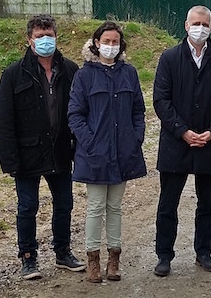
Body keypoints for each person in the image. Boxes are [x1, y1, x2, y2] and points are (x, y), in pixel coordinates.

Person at [0, 15, 86, 280]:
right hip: (27, 154)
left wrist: (79, 149)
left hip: (60, 151)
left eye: (49, 35)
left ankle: (63, 252)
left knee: (64, 204)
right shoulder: (14, 74)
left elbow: (79, 110)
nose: (45, 40)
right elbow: (4, 119)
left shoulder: (70, 69)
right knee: (27, 207)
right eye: (39, 36)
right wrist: (10, 161)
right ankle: (28, 258)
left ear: (57, 37)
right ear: (29, 40)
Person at [152, 5, 211, 277]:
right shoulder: (170, 58)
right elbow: (161, 101)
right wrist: (182, 131)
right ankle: (164, 256)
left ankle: (203, 252)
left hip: (209, 143)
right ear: (186, 26)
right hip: (176, 143)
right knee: (168, 203)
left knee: (207, 203)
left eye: (205, 24)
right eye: (196, 23)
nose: (200, 28)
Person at [68, 21, 147, 283]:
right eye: (106, 41)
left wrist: (135, 139)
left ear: (121, 45)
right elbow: (75, 115)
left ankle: (114, 260)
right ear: (96, 43)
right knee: (95, 207)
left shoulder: (129, 73)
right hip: (95, 153)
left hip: (123, 151)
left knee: (115, 207)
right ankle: (93, 260)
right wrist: (90, 143)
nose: (110, 46)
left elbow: (138, 110)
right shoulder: (84, 75)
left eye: (115, 42)